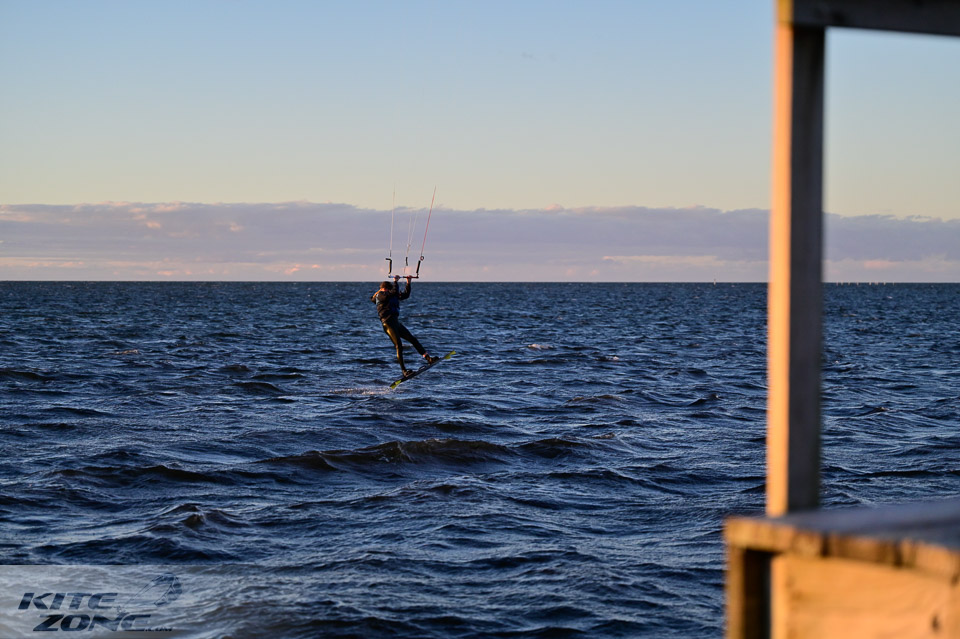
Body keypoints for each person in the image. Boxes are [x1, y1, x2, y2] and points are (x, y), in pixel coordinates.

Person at [372, 275, 439, 377]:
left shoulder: (391, 294)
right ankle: (404, 371)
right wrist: (395, 281)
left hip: (396, 323)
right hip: (388, 324)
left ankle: (428, 358)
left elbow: (405, 295)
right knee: (399, 345)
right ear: (384, 289)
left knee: (413, 339)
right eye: (388, 289)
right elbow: (393, 292)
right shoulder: (380, 295)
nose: (389, 291)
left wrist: (408, 282)